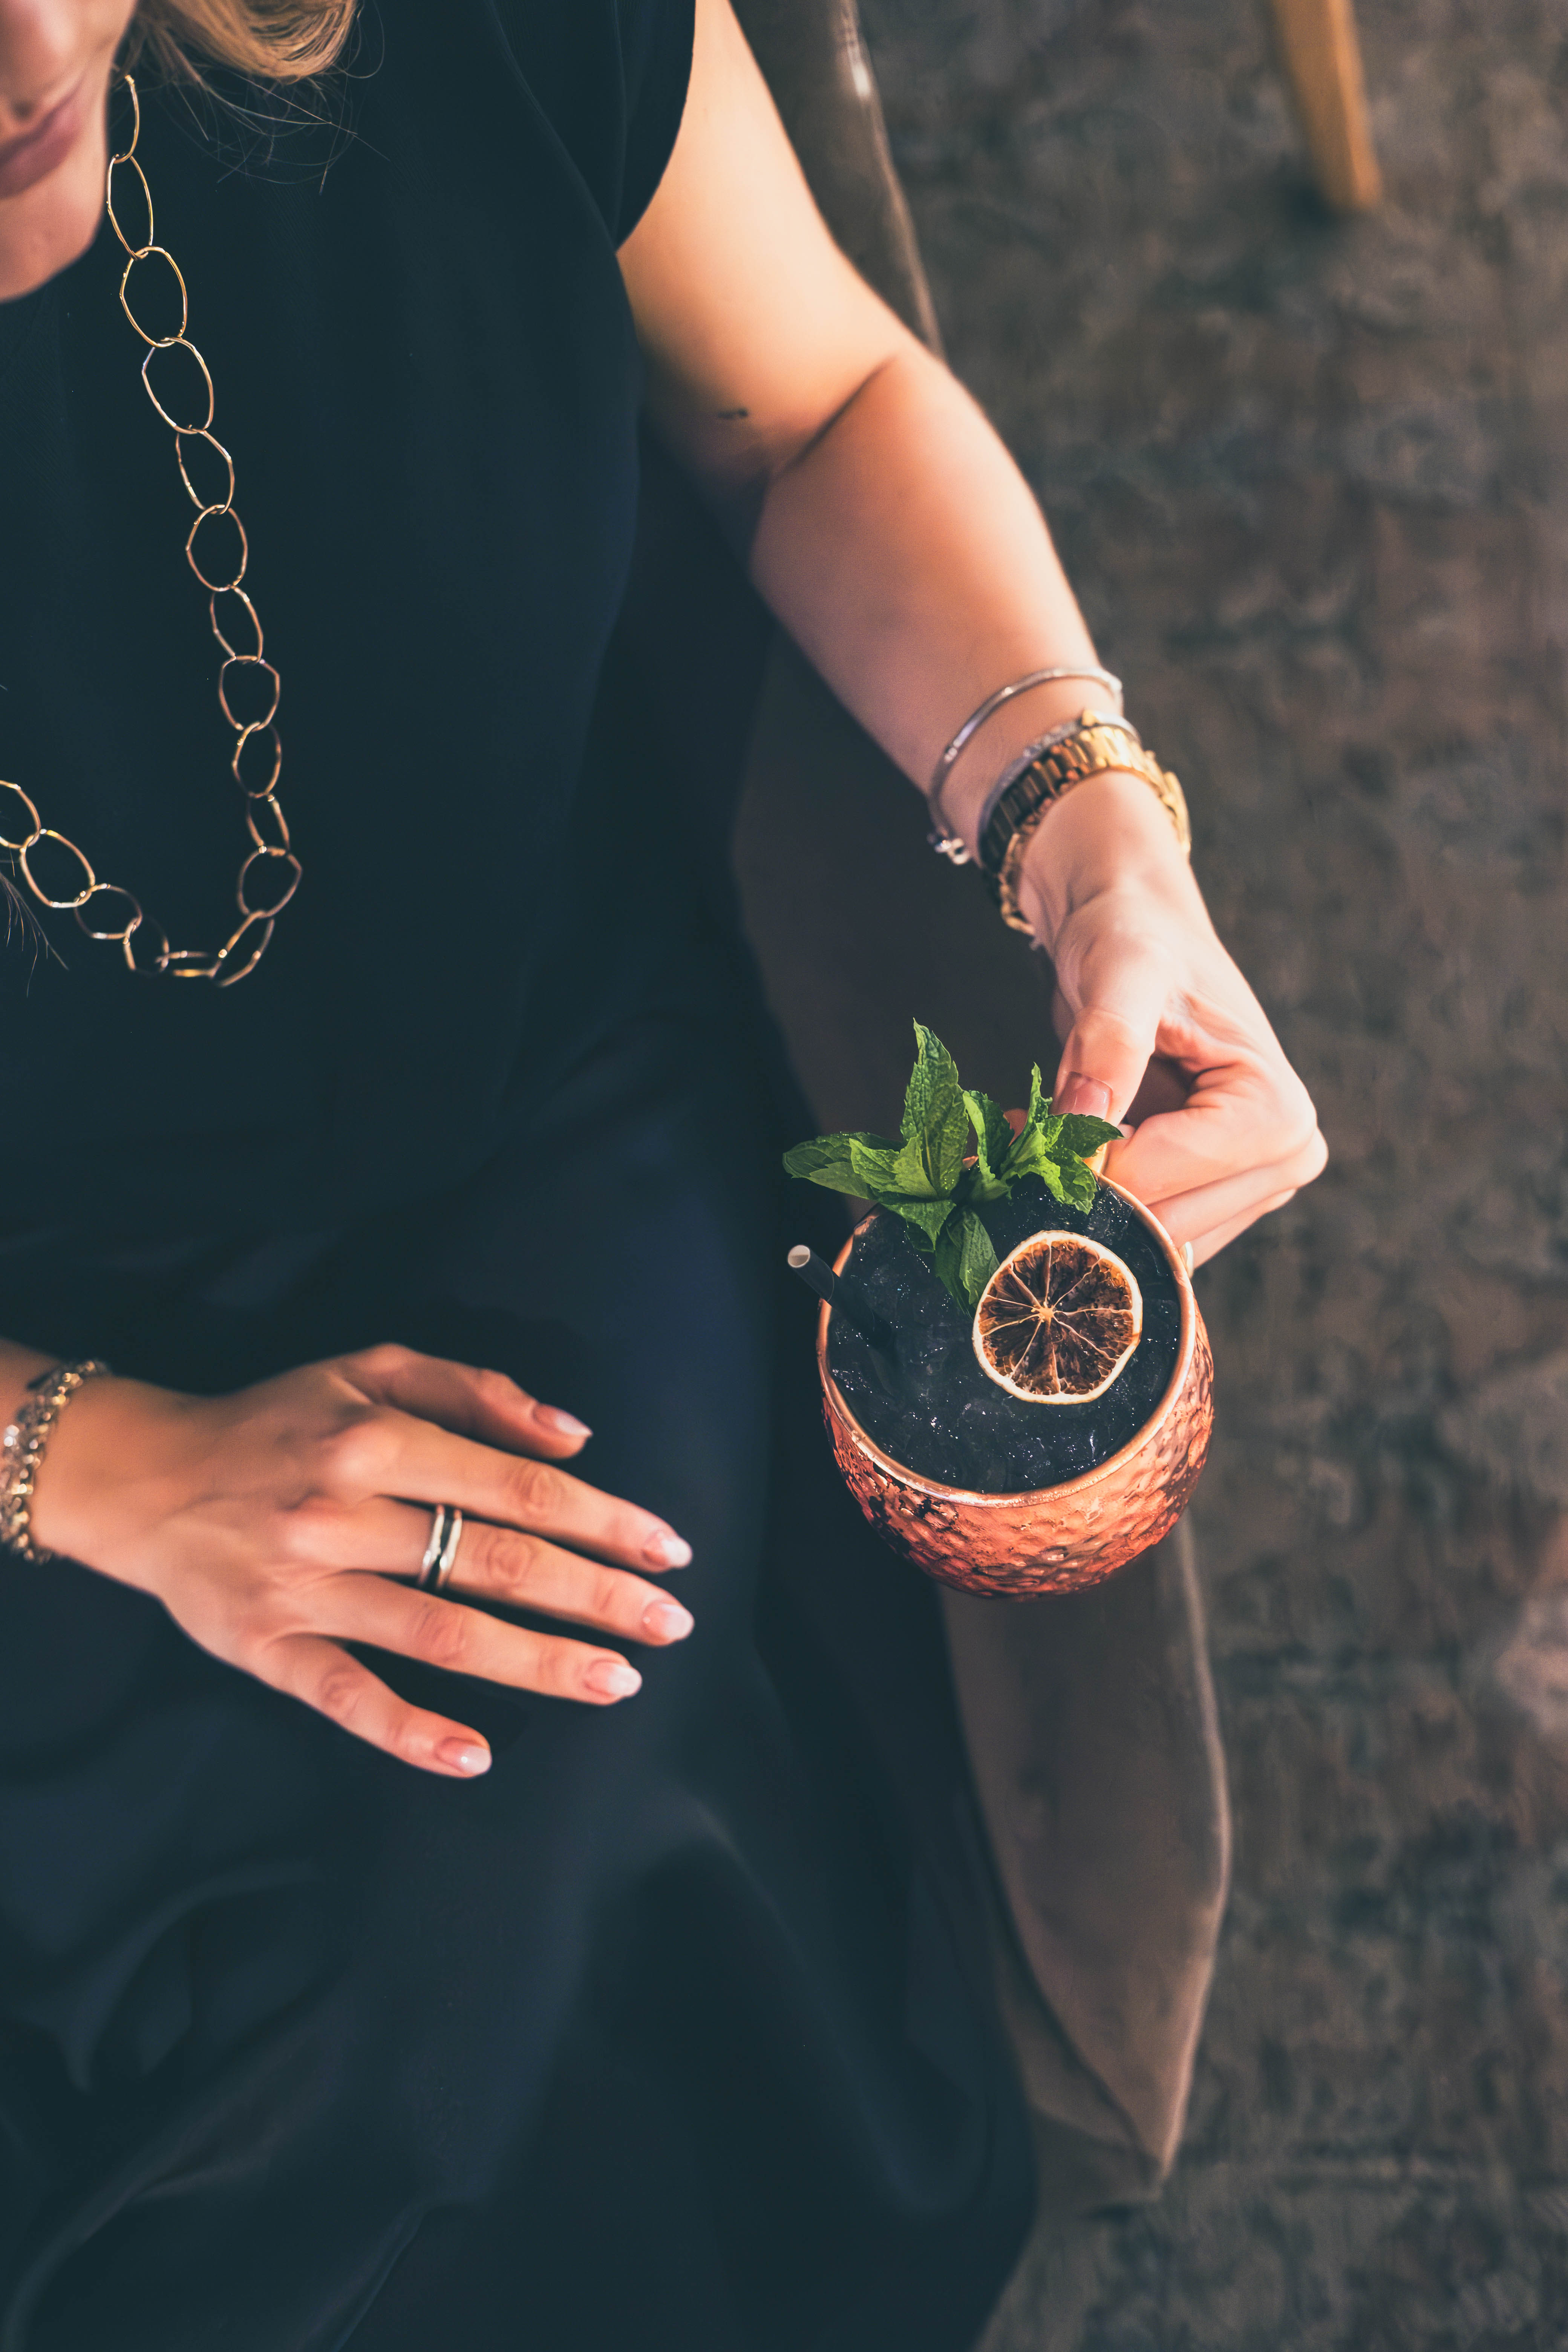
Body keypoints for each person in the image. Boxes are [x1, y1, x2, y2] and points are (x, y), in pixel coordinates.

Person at [0, 0, 1327, 2344]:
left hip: (532, 1074)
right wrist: (94, 1462)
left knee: (541, 1864)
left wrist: (1095, 829)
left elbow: (813, 404)